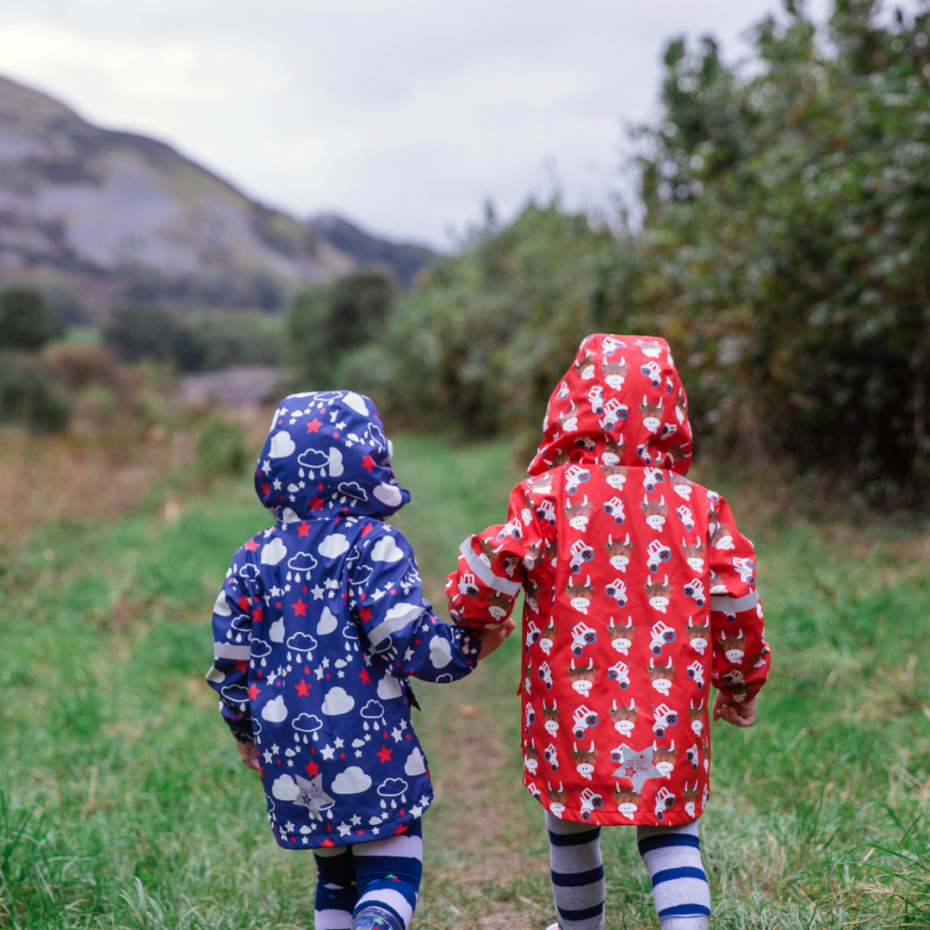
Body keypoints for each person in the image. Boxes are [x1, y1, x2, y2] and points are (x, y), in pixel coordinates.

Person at [446, 335, 770, 930]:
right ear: (672, 414)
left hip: (572, 709)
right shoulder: (700, 507)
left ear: (567, 410)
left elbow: (492, 564)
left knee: (570, 821)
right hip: (669, 712)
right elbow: (736, 599)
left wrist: (479, 620)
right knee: (672, 831)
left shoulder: (546, 499)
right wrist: (739, 681)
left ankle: (581, 929)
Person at [205, 390, 509, 930]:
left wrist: (244, 730)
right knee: (391, 871)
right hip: (368, 747)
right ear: (369, 462)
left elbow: (232, 659)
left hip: (292, 752)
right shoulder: (375, 543)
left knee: (336, 879)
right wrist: (470, 645)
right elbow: (406, 638)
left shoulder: (251, 557)